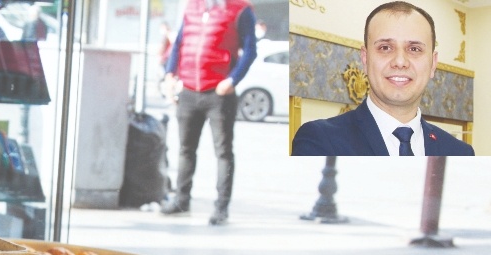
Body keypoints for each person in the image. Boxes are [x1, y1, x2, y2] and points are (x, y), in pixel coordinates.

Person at [292, 1, 474, 156]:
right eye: (385, 47)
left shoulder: (460, 153)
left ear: (433, 63)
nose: (400, 62)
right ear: (365, 58)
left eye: (414, 49)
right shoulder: (320, 140)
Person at [160, 0, 258, 225]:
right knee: (185, 149)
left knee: (223, 152)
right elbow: (180, 43)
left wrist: (232, 80)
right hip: (188, 90)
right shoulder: (192, 6)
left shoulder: (240, 9)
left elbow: (250, 50)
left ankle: (221, 208)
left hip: (219, 92)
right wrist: (169, 74)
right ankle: (181, 200)